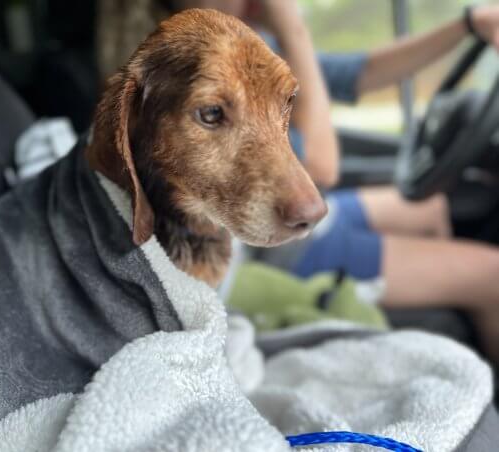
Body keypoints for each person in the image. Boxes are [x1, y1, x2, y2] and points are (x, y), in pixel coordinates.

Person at [172, 0, 499, 363]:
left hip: (319, 217)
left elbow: (364, 71)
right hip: (275, 243)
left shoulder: (255, 45)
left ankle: (440, 312)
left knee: (432, 207)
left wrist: (466, 25)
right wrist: (291, 28)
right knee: (493, 276)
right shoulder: (188, 65)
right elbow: (322, 166)